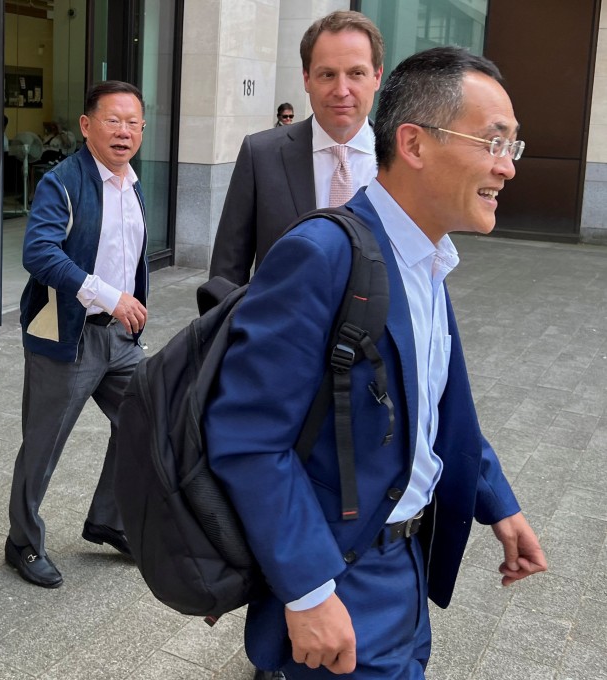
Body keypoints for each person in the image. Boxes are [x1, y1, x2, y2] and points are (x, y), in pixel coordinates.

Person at [205, 46, 546, 679]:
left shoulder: (426, 259)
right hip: (343, 577)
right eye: (494, 143)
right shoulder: (322, 255)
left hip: (408, 566)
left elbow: (437, 407)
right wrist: (308, 591)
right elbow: (248, 439)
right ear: (414, 144)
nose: (508, 168)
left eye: (513, 148)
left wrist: (497, 502)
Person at [6, 80, 149, 588]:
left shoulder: (132, 182)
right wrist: (112, 297)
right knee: (43, 443)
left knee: (146, 420)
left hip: (120, 339)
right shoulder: (62, 182)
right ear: (87, 126)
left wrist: (132, 305)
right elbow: (39, 253)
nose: (124, 131)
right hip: (68, 336)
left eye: (133, 122)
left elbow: (130, 256)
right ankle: (21, 541)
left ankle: (110, 520)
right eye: (113, 120)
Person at [210, 10, 384, 286]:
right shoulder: (261, 155)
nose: (341, 90)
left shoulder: (403, 162)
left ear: (376, 77)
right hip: (280, 328)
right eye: (327, 74)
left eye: (356, 73)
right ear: (306, 79)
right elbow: (227, 272)